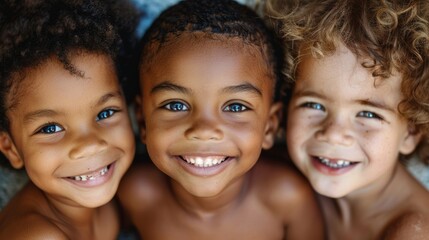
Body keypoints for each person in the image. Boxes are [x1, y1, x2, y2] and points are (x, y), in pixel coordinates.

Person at [117, 0, 324, 239]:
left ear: (270, 126)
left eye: (235, 106)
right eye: (175, 105)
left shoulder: (286, 198)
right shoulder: (136, 195)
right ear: (142, 121)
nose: (204, 130)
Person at [265, 0, 429, 239]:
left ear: (411, 132)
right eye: (313, 105)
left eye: (369, 114)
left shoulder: (413, 231)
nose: (333, 134)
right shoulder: (281, 172)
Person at [0, 0, 137, 238]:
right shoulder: (37, 235)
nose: (89, 145)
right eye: (50, 128)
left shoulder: (118, 198)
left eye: (105, 113)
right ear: (10, 148)